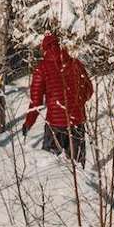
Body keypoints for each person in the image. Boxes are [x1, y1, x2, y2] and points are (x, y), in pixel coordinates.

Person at [24, 31, 91, 163]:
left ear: (44, 49)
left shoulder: (41, 68)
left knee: (49, 165)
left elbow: (36, 101)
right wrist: (78, 102)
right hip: (77, 122)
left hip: (55, 125)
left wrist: (28, 123)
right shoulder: (75, 63)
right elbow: (89, 89)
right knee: (78, 167)